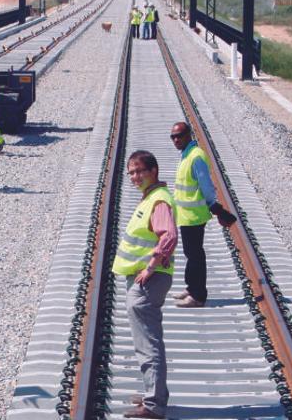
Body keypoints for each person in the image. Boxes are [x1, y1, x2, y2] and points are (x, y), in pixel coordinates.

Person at [111, 150, 177, 419]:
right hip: (145, 280)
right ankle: (155, 394)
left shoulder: (159, 200)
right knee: (148, 340)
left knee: (148, 343)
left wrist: (151, 267)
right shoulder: (152, 198)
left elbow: (169, 236)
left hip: (148, 281)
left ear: (154, 171)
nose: (135, 177)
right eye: (131, 173)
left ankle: (153, 405)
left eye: (139, 171)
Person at [169, 122, 237, 308]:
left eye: (180, 135)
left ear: (188, 135)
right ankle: (192, 288)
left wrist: (214, 206)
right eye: (173, 137)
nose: (176, 139)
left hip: (195, 215)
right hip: (186, 214)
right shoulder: (186, 154)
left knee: (195, 255)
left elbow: (206, 186)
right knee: (191, 253)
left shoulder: (196, 156)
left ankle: (198, 296)